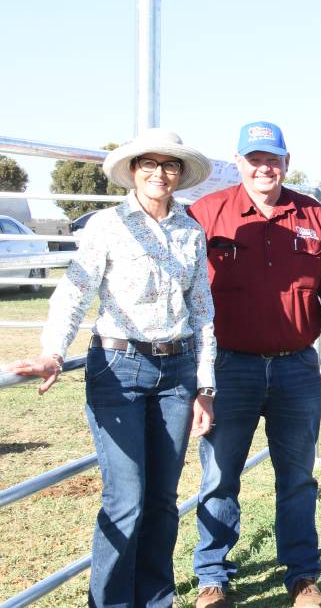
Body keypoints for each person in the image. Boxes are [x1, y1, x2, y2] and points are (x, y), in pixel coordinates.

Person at [7, 129, 216, 606]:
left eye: (170, 166)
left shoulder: (190, 229)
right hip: (120, 367)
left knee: (164, 500)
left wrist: (206, 383)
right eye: (149, 164)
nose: (159, 174)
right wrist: (53, 352)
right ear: (133, 171)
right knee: (126, 499)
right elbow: (76, 291)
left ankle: (156, 600)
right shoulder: (106, 225)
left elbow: (202, 308)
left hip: (178, 371)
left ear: (180, 175)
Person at [189, 121, 321, 608]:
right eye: (254, 158)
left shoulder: (313, 215)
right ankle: (212, 578)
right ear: (239, 162)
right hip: (229, 367)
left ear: (287, 162)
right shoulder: (206, 213)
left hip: (296, 368)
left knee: (297, 475)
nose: (264, 167)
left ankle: (303, 577)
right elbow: (183, 290)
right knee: (220, 475)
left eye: (273, 159)